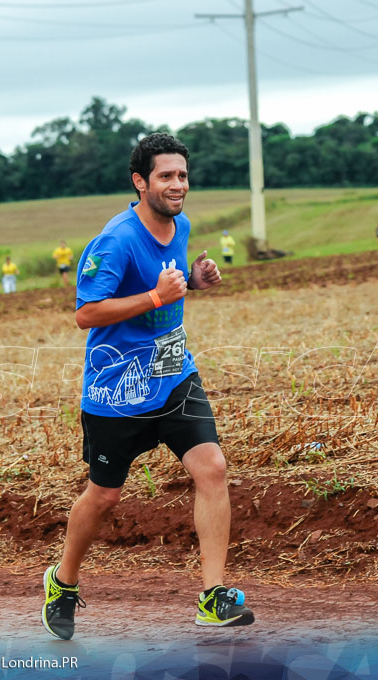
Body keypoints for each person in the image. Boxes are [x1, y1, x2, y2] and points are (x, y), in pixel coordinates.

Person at [40, 133, 252, 641]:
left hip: (174, 371)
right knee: (105, 496)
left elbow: (169, 285)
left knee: (212, 467)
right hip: (118, 389)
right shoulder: (114, 240)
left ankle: (213, 596)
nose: (177, 185)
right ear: (140, 182)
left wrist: (193, 283)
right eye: (166, 176)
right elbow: (86, 313)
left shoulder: (181, 225)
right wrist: (155, 297)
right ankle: (63, 582)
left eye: (182, 174)